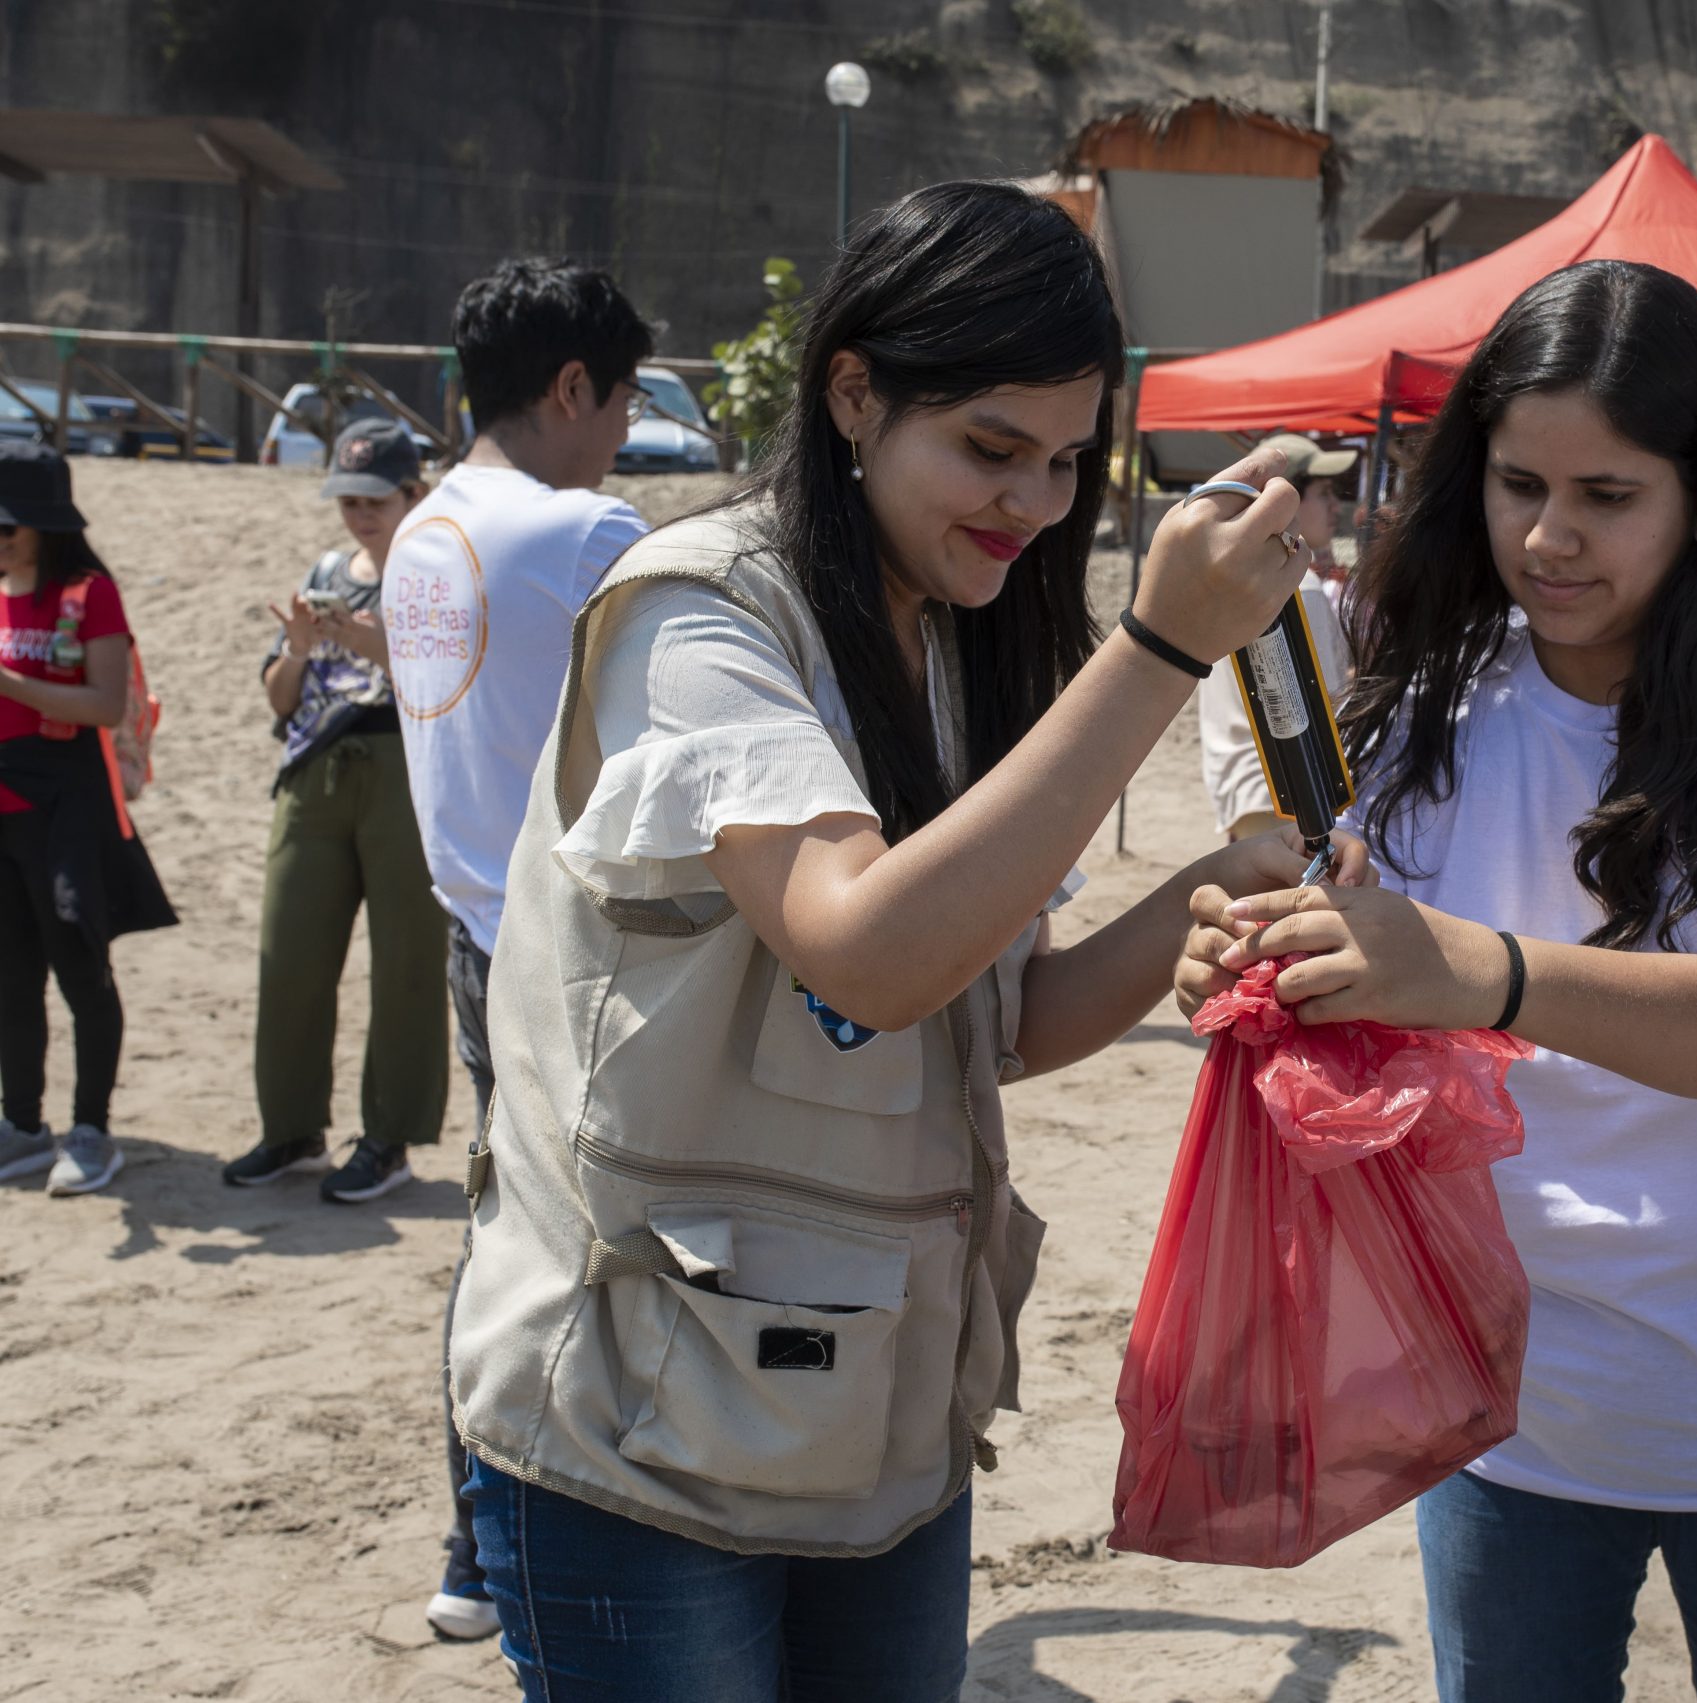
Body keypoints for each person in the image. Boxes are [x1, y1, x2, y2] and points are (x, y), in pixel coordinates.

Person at [447, 181, 1343, 1701]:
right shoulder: (697, 614)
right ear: (852, 390)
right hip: (642, 1430)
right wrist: (1160, 646)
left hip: (879, 1410)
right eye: (990, 449)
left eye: (1068, 462)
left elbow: (997, 1012)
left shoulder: (941, 628)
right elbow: (864, 950)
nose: (1035, 504)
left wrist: (1219, 877)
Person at [1183, 259, 1697, 1702]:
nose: (1549, 537)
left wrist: (1471, 969)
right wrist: (1275, 966)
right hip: (1511, 1398)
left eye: (1608, 496)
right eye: (1516, 484)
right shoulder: (1433, 691)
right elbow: (1379, 974)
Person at [380, 256, 654, 1644]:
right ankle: (506, 1541)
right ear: (568, 387)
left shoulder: (423, 530)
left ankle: (472, 1551)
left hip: (471, 929)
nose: (623, 432)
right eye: (619, 402)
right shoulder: (578, 529)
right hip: (567, 954)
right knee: (572, 1256)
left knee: (501, 1236)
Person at [222, 420, 449, 1201]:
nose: (357, 514)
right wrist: (296, 647)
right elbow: (281, 700)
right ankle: (289, 1128)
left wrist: (360, 637)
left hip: (404, 776)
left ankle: (388, 1138)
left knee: (406, 967)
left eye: (372, 498)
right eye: (346, 498)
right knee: (289, 960)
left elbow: (443, 674)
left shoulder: (440, 573)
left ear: (413, 495)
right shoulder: (326, 568)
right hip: (313, 770)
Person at [0, 442, 176, 1198]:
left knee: (80, 969)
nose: (1, 537)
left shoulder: (87, 591)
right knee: (10, 979)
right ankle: (22, 1125)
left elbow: (106, 704)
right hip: (3, 812)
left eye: (8, 525)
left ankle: (91, 1129)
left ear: (43, 525)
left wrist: (9, 681)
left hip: (68, 808)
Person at [1199, 430, 1355, 839]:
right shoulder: (1298, 587)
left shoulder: (1231, 579)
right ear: (1285, 499)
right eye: (1323, 492)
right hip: (1298, 796)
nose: (1337, 505)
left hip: (1246, 796)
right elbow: (1333, 705)